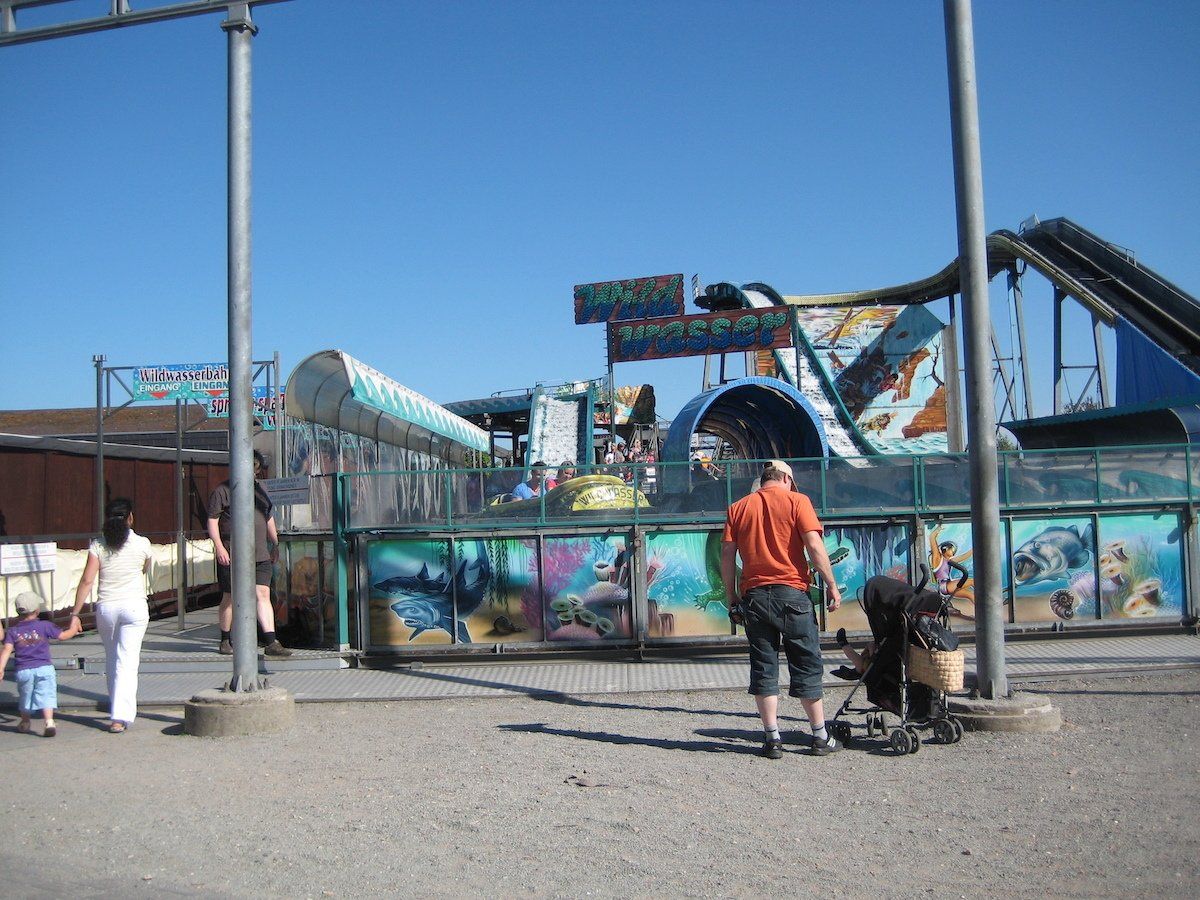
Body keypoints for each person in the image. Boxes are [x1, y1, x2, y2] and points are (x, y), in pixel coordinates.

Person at [721, 459, 844, 758]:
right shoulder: (798, 501)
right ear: (786, 479)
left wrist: (731, 595)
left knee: (764, 666)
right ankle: (819, 736)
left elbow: (727, 555)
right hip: (793, 595)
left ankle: (772, 739)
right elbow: (814, 546)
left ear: (765, 479)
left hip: (754, 597)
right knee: (806, 663)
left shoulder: (738, 508)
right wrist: (831, 584)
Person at [70, 498, 154, 733]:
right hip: (135, 606)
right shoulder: (143, 543)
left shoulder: (98, 544)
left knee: (112, 659)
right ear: (130, 518)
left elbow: (87, 580)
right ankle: (120, 716)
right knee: (127, 661)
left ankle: (116, 710)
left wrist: (75, 613)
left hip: (107, 608)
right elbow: (145, 568)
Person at [207, 450, 291, 657]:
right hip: (232, 553)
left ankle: (271, 641)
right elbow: (213, 520)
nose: (253, 472)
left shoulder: (261, 489)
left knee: (262, 594)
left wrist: (275, 543)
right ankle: (225, 639)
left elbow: (268, 516)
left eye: (255, 469)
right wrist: (219, 547)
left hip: (260, 553)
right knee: (230, 595)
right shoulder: (222, 491)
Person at [1, 591, 81, 736]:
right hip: (44, 667)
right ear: (37, 610)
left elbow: (7, 649)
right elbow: (63, 636)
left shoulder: (13, 631)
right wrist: (74, 628)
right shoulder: (45, 625)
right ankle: (49, 721)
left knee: (25, 696)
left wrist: (1, 668)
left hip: (24, 670)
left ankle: (25, 721)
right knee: (47, 694)